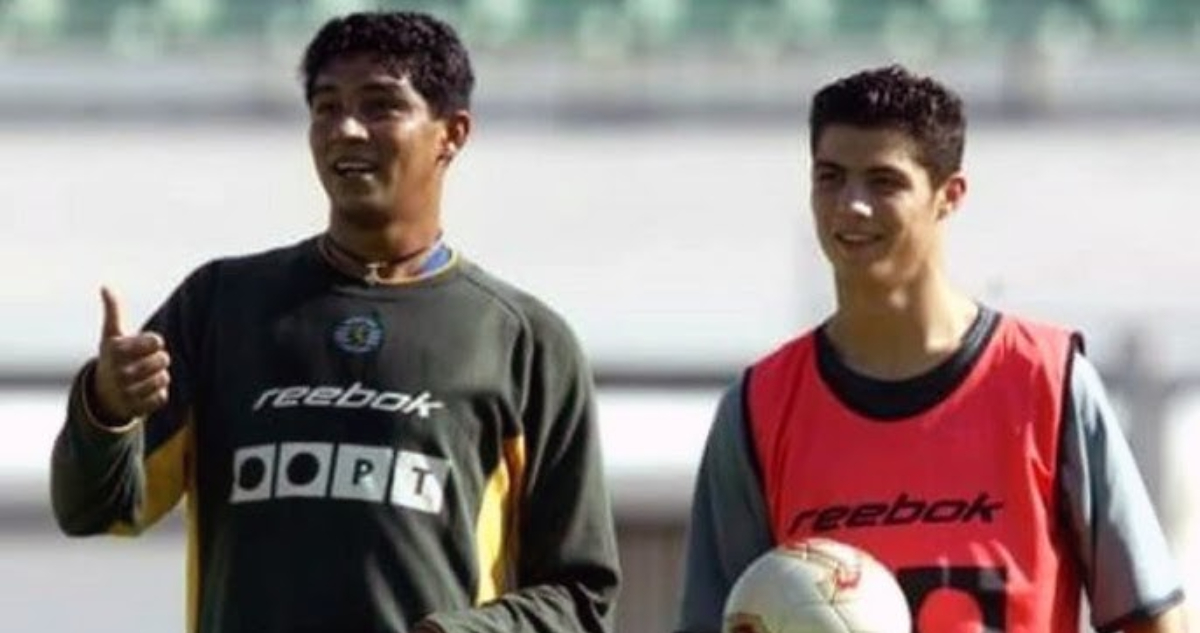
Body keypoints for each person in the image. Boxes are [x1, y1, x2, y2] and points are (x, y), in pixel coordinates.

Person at [50, 11, 620, 633]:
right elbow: (94, 511)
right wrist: (106, 410)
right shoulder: (221, 304)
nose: (346, 129)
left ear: (451, 134)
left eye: (380, 106)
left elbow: (582, 600)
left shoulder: (524, 341)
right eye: (326, 107)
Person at [675, 65, 1187, 632]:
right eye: (830, 177)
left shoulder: (1048, 381)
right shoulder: (759, 406)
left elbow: (1153, 621)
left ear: (949, 196)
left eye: (883, 181)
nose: (851, 205)